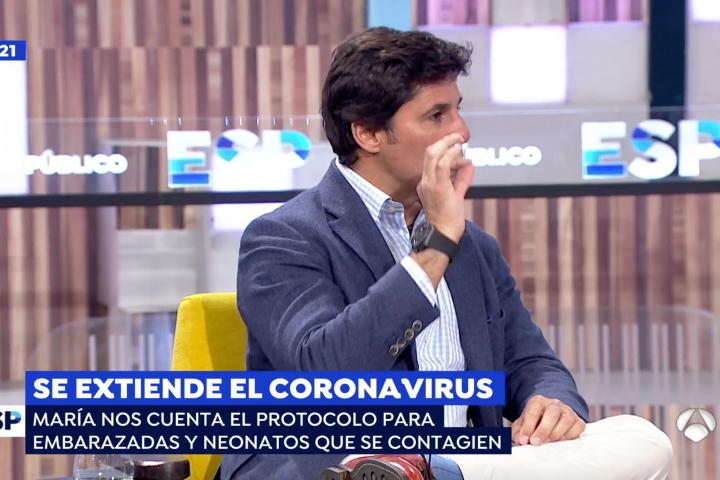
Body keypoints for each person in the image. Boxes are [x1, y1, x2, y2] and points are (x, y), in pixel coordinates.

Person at [221, 27, 672, 480]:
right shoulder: (285, 237)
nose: (461, 132)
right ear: (369, 133)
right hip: (339, 461)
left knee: (642, 438)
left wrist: (551, 401)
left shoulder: (474, 246)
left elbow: (529, 360)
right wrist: (435, 248)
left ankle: (434, 470)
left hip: (469, 457)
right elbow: (325, 374)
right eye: (437, 116)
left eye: (457, 110)